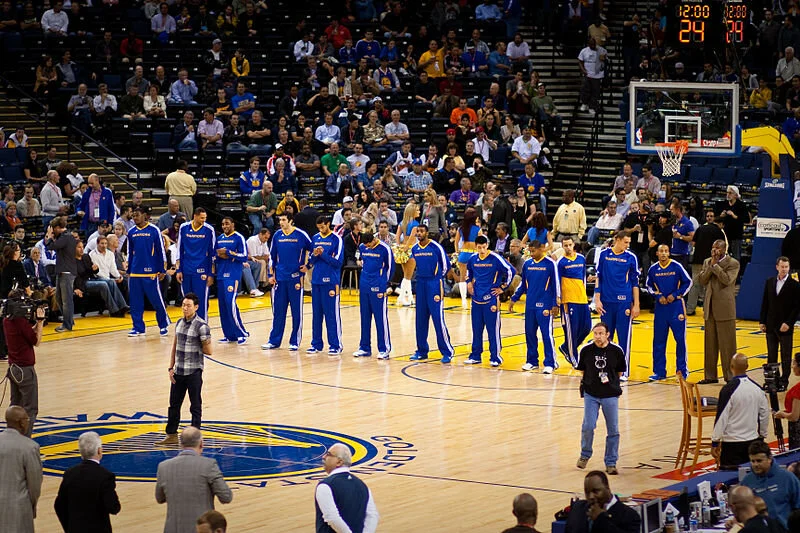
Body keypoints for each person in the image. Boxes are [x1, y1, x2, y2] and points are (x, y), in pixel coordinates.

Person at [158, 293, 212, 446]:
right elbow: (175, 346)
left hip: (194, 371)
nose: (185, 308)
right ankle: (171, 435)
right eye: (183, 305)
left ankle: (195, 438)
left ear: (196, 307)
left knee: (195, 405)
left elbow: (209, 351)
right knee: (173, 405)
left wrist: (199, 342)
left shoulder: (202, 326)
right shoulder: (179, 323)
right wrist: (170, 367)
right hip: (179, 371)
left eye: (188, 305)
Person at [155, 427, 233, 532]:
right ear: (201, 444)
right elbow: (226, 497)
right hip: (202, 530)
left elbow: (160, 498)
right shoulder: (209, 465)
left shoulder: (163, 467)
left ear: (180, 444)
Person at [576, 323, 627, 475]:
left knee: (613, 430)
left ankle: (611, 462)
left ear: (607, 334)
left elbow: (619, 372)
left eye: (600, 333)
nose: (597, 336)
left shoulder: (616, 351)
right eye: (595, 333)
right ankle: (585, 455)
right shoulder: (586, 350)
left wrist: (610, 384)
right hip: (591, 394)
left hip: (610, 394)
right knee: (588, 426)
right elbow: (582, 371)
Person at [594, 231, 640, 381]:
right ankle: (606, 368)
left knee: (624, 337)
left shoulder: (631, 257)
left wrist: (636, 304)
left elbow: (635, 282)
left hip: (623, 302)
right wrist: (597, 298)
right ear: (617, 240)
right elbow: (598, 276)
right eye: (625, 242)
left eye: (629, 242)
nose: (628, 245)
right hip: (606, 302)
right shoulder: (604, 254)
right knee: (606, 336)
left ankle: (624, 370)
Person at [711, 353, 770, 469]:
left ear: (731, 367)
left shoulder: (728, 390)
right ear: (747, 366)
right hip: (752, 441)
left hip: (731, 444)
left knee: (730, 482)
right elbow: (764, 414)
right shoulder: (758, 389)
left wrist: (715, 441)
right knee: (751, 479)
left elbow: (721, 417)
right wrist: (762, 436)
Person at [262, 213, 312, 351]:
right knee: (278, 312)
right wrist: (270, 274)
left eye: (284, 220)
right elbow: (272, 257)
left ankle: (295, 341)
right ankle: (274, 341)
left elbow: (314, 251)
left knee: (296, 312)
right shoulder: (277, 235)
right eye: (280, 220)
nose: (281, 222)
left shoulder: (301, 235)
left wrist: (308, 266)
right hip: (280, 279)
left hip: (296, 279)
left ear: (291, 221)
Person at [54, 431, 121, 533]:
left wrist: (68, 527)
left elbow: (59, 505)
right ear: (99, 451)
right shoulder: (105, 476)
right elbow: (114, 507)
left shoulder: (70, 473)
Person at [509, 240, 560, 373]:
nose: (531, 254)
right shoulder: (527, 264)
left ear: (542, 249)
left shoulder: (550, 264)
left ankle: (550, 362)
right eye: (530, 251)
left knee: (546, 334)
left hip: (545, 305)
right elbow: (523, 285)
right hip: (530, 304)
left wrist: (555, 304)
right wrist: (514, 298)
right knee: (530, 334)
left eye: (534, 251)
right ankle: (532, 361)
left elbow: (556, 285)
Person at [464, 235, 515, 367]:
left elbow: (511, 271)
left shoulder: (495, 258)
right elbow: (468, 272)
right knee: (476, 329)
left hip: (491, 298)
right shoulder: (472, 259)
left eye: (484, 247)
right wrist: (469, 282)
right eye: (479, 247)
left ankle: (495, 357)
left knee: (492, 330)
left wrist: (502, 287)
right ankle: (475, 355)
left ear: (487, 245)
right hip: (476, 299)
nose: (481, 250)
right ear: (476, 247)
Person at [646, 244, 692, 381]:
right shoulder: (653, 269)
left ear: (669, 253)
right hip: (661, 309)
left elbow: (688, 282)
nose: (664, 253)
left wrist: (677, 294)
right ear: (657, 254)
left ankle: (682, 371)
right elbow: (648, 286)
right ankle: (659, 372)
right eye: (661, 251)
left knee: (680, 340)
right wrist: (658, 296)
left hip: (676, 308)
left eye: (666, 251)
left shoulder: (676, 266)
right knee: (659, 341)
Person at [410, 224, 455, 363]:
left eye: (422, 231)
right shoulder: (415, 248)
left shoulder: (435, 246)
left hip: (434, 283)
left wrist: (437, 279)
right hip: (421, 284)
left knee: (437, 319)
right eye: (418, 231)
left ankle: (447, 351)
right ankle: (422, 350)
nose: (419, 233)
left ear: (427, 233)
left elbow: (446, 265)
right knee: (420, 319)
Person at [3, 289, 44, 437]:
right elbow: (36, 341)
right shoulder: (20, 322)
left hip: (13, 369)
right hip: (26, 371)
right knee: (30, 409)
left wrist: (33, 326)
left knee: (15, 408)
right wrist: (40, 321)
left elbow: (24, 334)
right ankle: (25, 443)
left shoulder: (7, 321)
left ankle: (10, 439)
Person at [699, 239, 740, 383]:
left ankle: (730, 376)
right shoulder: (707, 261)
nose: (714, 251)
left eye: (717, 248)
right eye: (713, 247)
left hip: (725, 308)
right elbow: (702, 280)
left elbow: (726, 280)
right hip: (709, 308)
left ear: (724, 249)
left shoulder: (733, 263)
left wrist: (716, 265)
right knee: (710, 346)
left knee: (727, 345)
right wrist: (711, 265)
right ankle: (710, 376)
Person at [315, 442, 379, 533]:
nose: (323, 457)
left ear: (339, 461)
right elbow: (373, 516)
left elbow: (332, 518)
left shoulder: (325, 485)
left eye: (328, 454)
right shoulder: (362, 485)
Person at [127, 206, 171, 337]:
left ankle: (163, 324)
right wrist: (129, 269)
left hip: (150, 272)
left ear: (145, 216)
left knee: (156, 300)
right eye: (133, 215)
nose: (134, 217)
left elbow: (161, 250)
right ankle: (138, 327)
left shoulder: (154, 230)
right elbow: (130, 252)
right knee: (135, 302)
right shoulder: (131, 232)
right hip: (135, 272)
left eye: (137, 215)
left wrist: (162, 269)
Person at [0, 405, 42, 533]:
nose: (28, 421)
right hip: (18, 510)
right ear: (21, 422)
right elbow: (34, 485)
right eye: (27, 419)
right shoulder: (29, 447)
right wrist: (32, 507)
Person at [741, 440, 800, 528]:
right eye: (752, 461)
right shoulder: (747, 481)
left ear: (770, 458)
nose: (755, 464)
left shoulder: (788, 478)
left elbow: (798, 507)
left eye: (759, 461)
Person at [760, 257, 800, 386]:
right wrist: (762, 321)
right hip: (771, 324)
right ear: (777, 267)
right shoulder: (770, 281)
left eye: (786, 267)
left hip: (785, 326)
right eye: (782, 267)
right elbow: (765, 303)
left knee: (786, 356)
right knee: (771, 355)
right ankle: (772, 380)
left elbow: (796, 307)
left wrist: (788, 323)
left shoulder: (794, 285)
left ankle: (784, 380)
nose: (784, 269)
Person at [307, 216, 344, 355]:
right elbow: (312, 260)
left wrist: (323, 254)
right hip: (316, 281)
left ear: (328, 224)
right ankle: (316, 344)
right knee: (316, 315)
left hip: (331, 282)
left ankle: (335, 345)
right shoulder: (315, 238)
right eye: (319, 228)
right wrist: (315, 255)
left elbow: (338, 262)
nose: (320, 230)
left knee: (331, 314)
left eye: (323, 227)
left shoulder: (337, 239)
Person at [354, 231, 393, 359]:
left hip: (378, 285)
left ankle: (384, 349)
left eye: (369, 245)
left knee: (380, 318)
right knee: (364, 317)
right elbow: (359, 258)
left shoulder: (384, 248)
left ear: (374, 240)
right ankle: (364, 347)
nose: (368, 247)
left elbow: (391, 267)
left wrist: (384, 283)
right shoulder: (362, 247)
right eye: (366, 245)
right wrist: (359, 261)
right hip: (364, 284)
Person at [565, 470, 641, 532]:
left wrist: (600, 519)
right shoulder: (578, 508)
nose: (591, 496)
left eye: (596, 491)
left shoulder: (629, 516)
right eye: (587, 492)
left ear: (607, 488)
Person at [177, 208, 216, 321]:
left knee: (201, 301)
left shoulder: (209, 230)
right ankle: (188, 325)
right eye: (201, 218)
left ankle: (202, 326)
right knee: (187, 301)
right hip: (186, 269)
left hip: (202, 270)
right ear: (195, 216)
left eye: (205, 218)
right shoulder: (184, 228)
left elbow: (212, 254)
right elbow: (180, 249)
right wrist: (179, 270)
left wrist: (211, 274)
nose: (204, 220)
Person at [215, 218, 249, 345]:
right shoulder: (219, 239)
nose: (224, 226)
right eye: (223, 224)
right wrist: (219, 255)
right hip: (220, 275)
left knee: (230, 303)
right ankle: (229, 335)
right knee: (223, 306)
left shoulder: (238, 237)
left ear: (233, 224)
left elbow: (244, 256)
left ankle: (241, 333)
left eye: (227, 223)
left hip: (233, 275)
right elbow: (215, 256)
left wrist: (228, 253)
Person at [686, 211, 725, 315]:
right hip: (711, 261)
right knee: (709, 286)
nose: (709, 218)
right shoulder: (719, 231)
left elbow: (693, 243)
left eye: (711, 216)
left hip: (698, 260)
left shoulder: (700, 228)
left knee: (694, 284)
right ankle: (707, 310)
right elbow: (721, 248)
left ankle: (690, 309)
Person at [46, 216, 78, 333]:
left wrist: (49, 237)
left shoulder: (66, 237)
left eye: (53, 229)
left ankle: (67, 325)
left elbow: (51, 246)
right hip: (62, 271)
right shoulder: (64, 237)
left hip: (67, 272)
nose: (52, 231)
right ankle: (68, 319)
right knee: (59, 298)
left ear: (58, 228)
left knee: (66, 300)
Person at [455, 207, 482, 309]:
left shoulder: (461, 228)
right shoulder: (478, 229)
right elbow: (481, 241)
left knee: (462, 278)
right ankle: (473, 299)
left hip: (463, 254)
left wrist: (457, 252)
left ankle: (463, 300)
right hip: (474, 255)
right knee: (474, 278)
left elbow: (456, 241)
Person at [394, 203, 420, 307]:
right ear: (412, 212)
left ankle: (409, 297)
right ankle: (400, 298)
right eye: (417, 210)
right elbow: (412, 238)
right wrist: (407, 247)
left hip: (402, 249)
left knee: (406, 274)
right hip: (410, 250)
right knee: (408, 276)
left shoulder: (402, 223)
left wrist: (399, 246)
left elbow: (397, 236)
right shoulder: (415, 224)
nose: (419, 211)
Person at [718, 185, 751, 261]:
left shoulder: (741, 205)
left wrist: (734, 216)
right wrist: (721, 215)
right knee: (723, 256)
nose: (728, 195)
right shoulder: (724, 204)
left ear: (736, 195)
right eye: (727, 193)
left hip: (736, 236)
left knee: (736, 257)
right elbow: (717, 218)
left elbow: (747, 219)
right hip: (725, 235)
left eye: (730, 193)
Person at [775, 353, 800, 450]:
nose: (792, 366)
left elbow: (794, 416)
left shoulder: (797, 389)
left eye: (794, 363)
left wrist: (783, 414)